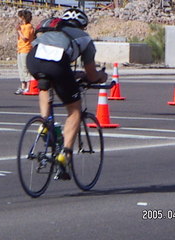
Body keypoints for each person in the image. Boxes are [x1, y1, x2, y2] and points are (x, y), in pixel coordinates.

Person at [26, 8, 107, 180]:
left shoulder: (53, 29)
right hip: (57, 64)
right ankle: (65, 156)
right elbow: (91, 75)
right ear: (83, 25)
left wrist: (70, 74)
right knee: (75, 111)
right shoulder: (85, 38)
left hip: (33, 59)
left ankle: (45, 122)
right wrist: (101, 76)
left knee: (44, 84)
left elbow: (53, 56)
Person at [14, 9, 34, 95]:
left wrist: (19, 31)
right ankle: (23, 86)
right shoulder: (22, 26)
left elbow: (25, 38)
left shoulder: (28, 27)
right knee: (21, 68)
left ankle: (28, 86)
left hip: (26, 49)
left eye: (20, 17)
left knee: (25, 68)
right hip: (20, 49)